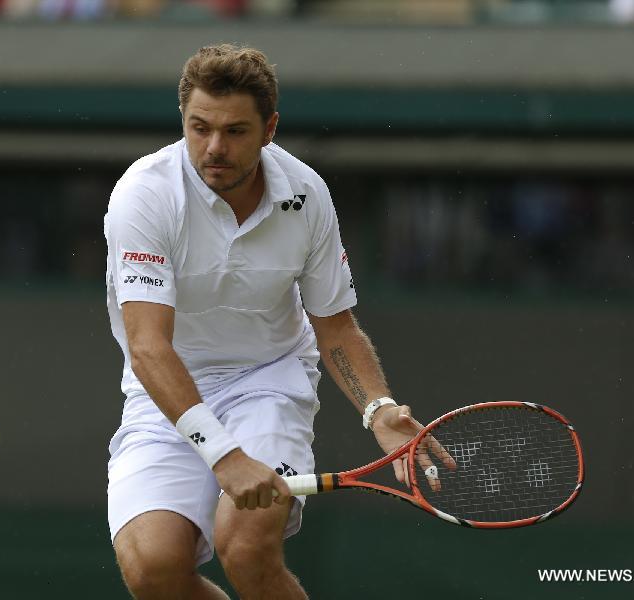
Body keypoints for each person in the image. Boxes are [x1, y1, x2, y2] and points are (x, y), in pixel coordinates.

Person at [104, 43, 444, 599]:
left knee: (247, 547)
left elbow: (335, 325)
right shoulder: (143, 196)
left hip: (269, 381)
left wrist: (379, 409)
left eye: (236, 131)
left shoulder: (307, 195)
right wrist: (223, 455)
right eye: (200, 127)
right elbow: (147, 348)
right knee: (153, 568)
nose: (214, 147)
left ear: (270, 129)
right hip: (163, 389)